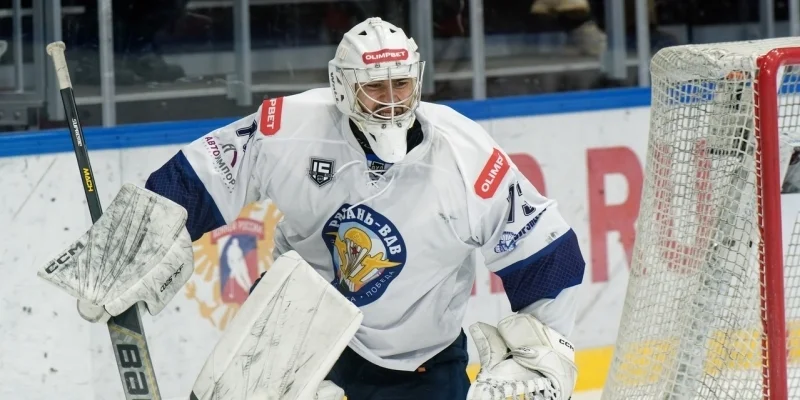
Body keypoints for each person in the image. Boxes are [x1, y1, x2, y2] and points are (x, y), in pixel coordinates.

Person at [145, 17, 584, 400]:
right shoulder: (288, 128)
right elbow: (203, 175)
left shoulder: (465, 155)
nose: (391, 100)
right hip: (295, 332)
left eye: (401, 84)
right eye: (374, 86)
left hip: (418, 357)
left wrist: (545, 352)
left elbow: (545, 252)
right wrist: (153, 227)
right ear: (342, 86)